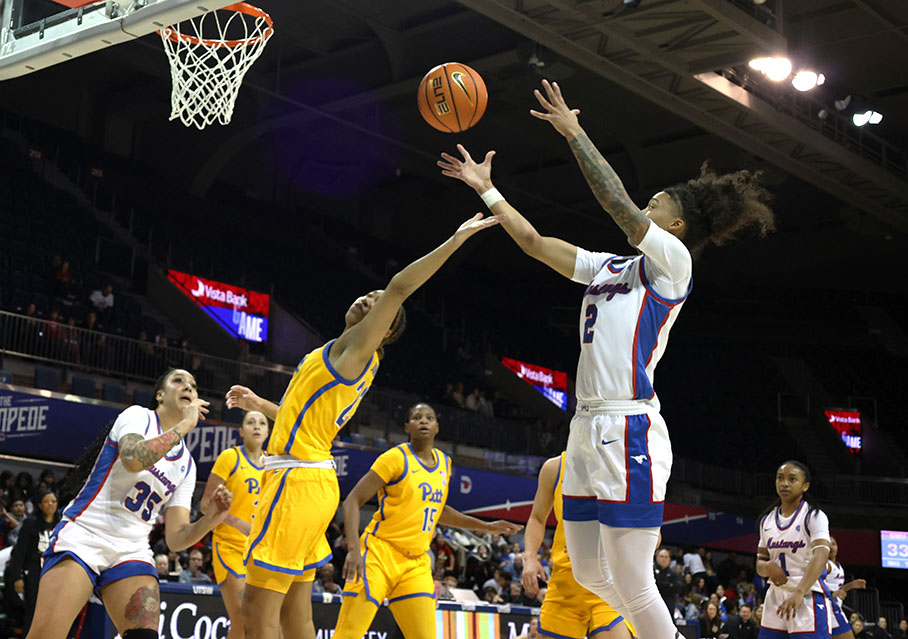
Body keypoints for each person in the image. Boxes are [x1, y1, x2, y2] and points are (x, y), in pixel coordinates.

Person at [440, 77, 774, 639]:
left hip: (629, 426)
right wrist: (487, 191)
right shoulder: (609, 268)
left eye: (656, 205)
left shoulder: (673, 266)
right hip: (585, 425)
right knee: (593, 573)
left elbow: (618, 205)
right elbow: (535, 244)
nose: (646, 207)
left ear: (676, 226)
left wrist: (575, 133)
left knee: (634, 581)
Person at [224, 213, 501, 639]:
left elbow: (401, 287)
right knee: (295, 615)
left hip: (294, 482)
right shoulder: (343, 356)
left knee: (257, 608)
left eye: (379, 303)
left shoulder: (357, 350)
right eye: (369, 294)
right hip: (310, 477)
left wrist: (456, 239)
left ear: (384, 331)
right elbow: (302, 418)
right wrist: (261, 403)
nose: (371, 298)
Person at [28, 368, 233, 639]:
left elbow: (175, 539)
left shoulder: (186, 464)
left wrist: (211, 520)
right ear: (160, 395)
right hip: (85, 534)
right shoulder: (137, 416)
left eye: (193, 386)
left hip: (131, 549)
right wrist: (184, 426)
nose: (188, 388)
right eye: (179, 381)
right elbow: (133, 458)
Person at [333, 402, 521, 639]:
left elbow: (439, 510)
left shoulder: (445, 463)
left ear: (437, 427)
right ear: (407, 427)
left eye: (429, 418)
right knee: (348, 633)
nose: (423, 421)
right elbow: (351, 501)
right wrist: (352, 550)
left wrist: (485, 526)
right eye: (417, 417)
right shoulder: (394, 458)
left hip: (416, 563)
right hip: (379, 554)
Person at [522, 453, 634, 639]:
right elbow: (537, 518)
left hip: (609, 586)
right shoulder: (555, 467)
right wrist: (531, 557)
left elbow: (655, 535)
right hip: (565, 584)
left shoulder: (626, 469)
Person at [200, 409, 269, 639]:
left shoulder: (272, 465)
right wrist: (238, 523)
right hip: (229, 546)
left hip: (260, 551)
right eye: (250, 422)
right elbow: (205, 504)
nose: (256, 426)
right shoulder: (230, 457)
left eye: (261, 423)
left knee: (261, 624)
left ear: (268, 431)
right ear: (241, 431)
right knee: (242, 616)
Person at [756, 461, 832, 639]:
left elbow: (821, 555)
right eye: (780, 478)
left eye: (792, 479)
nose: (784, 483)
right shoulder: (766, 520)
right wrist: (767, 567)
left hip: (806, 594)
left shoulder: (814, 516)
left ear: (805, 486)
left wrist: (799, 592)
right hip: (775, 596)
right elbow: (759, 563)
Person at [6, 490, 60, 635]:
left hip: (54, 574)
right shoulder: (31, 524)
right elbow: (19, 553)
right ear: (40, 505)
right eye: (47, 501)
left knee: (52, 613)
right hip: (34, 573)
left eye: (53, 501)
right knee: (33, 612)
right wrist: (17, 577)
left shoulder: (61, 525)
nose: (51, 504)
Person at [825, 536, 866, 639]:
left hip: (835, 607)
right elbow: (815, 585)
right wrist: (831, 593)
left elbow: (836, 588)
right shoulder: (825, 565)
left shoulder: (838, 566)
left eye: (833, 544)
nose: (831, 547)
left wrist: (851, 585)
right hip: (829, 608)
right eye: (828, 544)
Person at [655, 547, 683, 615]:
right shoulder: (650, 571)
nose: (664, 559)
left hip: (669, 605)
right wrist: (668, 585)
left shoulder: (673, 573)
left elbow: (678, 588)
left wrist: (661, 585)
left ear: (669, 559)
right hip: (654, 604)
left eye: (666, 557)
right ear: (657, 558)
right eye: (661, 556)